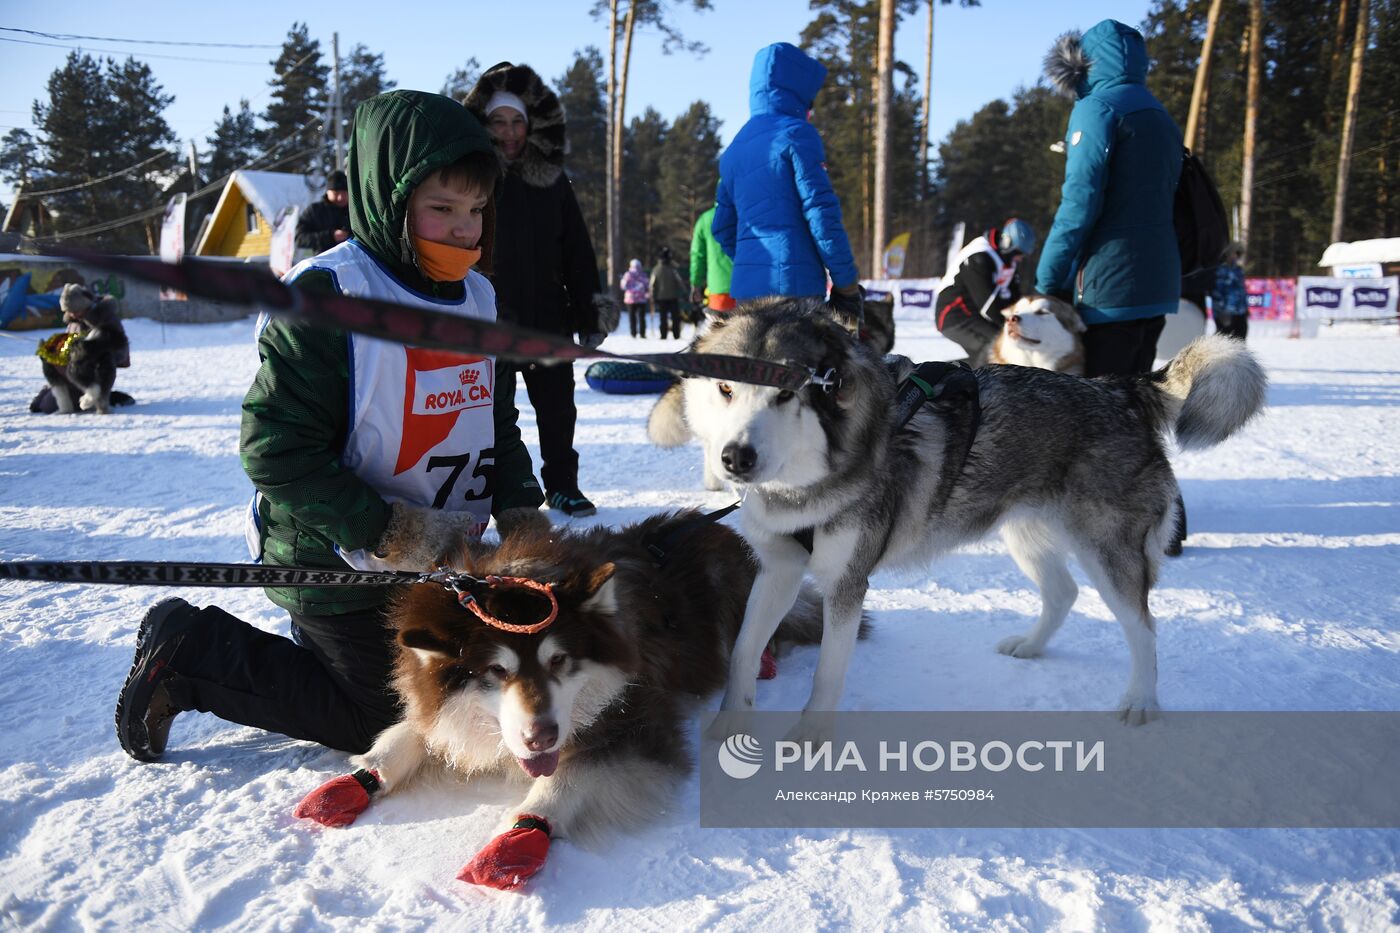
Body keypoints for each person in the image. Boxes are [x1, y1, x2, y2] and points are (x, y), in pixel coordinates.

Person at [114, 90, 548, 763]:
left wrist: (521, 508)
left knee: (483, 673)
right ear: (389, 199)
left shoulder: (479, 296)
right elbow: (276, 449)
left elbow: (492, 413)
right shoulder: (328, 297)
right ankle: (193, 651)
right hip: (332, 557)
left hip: (442, 561)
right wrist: (388, 530)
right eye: (442, 208)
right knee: (384, 721)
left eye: (474, 210)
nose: (465, 229)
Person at [464, 62, 609, 518]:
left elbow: (577, 251)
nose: (509, 133)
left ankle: (563, 485)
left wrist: (589, 309)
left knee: (558, 410)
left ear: (532, 125)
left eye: (518, 122)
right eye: (499, 122)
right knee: (491, 415)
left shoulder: (552, 180)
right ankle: (503, 493)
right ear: (483, 125)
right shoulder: (471, 181)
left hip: (549, 316)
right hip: (491, 319)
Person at [1036, 19, 1184, 377]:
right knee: (1133, 418)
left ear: (1080, 64)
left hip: (1108, 290)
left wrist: (1047, 277)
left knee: (1093, 422)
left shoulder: (1097, 108)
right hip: (1158, 284)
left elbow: (1079, 202)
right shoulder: (1160, 115)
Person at [713, 42, 862, 320]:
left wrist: (754, 261)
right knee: (800, 365)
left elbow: (721, 228)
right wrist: (846, 283)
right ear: (799, 92)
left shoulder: (735, 147)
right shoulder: (798, 133)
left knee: (757, 365)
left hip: (746, 294)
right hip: (797, 289)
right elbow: (821, 214)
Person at [935, 218, 1037, 363]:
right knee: (997, 347)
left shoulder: (1008, 260)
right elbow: (988, 304)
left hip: (977, 315)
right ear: (1006, 243)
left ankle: (955, 375)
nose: (1020, 258)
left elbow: (1015, 299)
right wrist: (1013, 328)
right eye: (1018, 253)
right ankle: (947, 377)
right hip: (954, 315)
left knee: (997, 352)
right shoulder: (978, 256)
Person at [690, 204, 736, 314]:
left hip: (718, 289)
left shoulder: (705, 219)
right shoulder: (745, 215)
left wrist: (696, 283)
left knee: (721, 329)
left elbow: (697, 256)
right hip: (748, 288)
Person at [294, 170, 351, 254]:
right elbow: (300, 238)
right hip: (324, 260)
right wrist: (330, 236)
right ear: (328, 192)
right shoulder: (314, 210)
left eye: (344, 193)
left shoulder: (355, 210)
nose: (340, 198)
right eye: (336, 193)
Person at [1210, 242, 1249, 340]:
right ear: (1228, 253)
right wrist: (1221, 312)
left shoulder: (1238, 270)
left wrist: (1245, 308)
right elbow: (1217, 293)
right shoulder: (1219, 270)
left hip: (1240, 313)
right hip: (1225, 314)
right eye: (1236, 252)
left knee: (1240, 341)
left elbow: (1242, 291)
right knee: (1225, 344)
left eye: (1240, 253)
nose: (1238, 256)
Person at [650, 247, 686, 339]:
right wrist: (684, 292)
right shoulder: (673, 269)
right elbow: (680, 281)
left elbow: (652, 285)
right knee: (675, 317)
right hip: (673, 297)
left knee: (663, 318)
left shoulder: (656, 269)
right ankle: (676, 335)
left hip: (661, 298)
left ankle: (663, 335)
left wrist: (653, 297)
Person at [620, 258, 650, 337]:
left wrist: (630, 290)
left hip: (630, 299)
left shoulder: (628, 274)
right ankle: (642, 333)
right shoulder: (643, 274)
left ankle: (633, 333)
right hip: (641, 299)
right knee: (641, 317)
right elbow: (647, 286)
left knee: (632, 317)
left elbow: (623, 286)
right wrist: (646, 293)